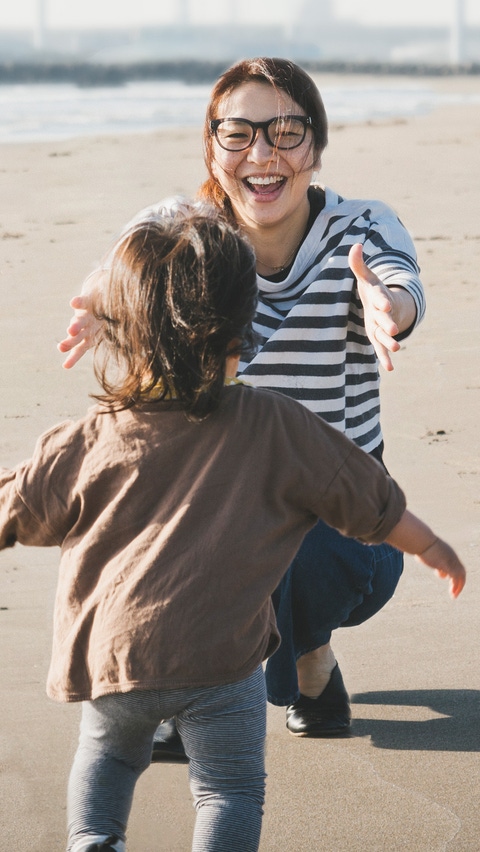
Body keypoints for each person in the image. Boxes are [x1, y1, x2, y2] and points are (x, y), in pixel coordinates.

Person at [0, 204, 466, 852]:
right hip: (224, 662)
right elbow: (364, 494)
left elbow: (15, 505)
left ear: (122, 333)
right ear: (239, 334)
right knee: (228, 790)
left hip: (115, 657)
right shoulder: (274, 423)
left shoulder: (89, 438)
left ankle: (94, 841)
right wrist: (432, 546)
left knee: (106, 762)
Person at [59, 58, 427, 744]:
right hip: (213, 514)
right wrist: (103, 302)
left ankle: (301, 663)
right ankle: (201, 685)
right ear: (212, 147)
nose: (262, 153)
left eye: (286, 131)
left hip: (345, 535)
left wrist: (388, 307)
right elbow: (124, 265)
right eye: (238, 133)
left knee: (302, 548)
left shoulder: (361, 227)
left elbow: (398, 281)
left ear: (314, 147)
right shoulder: (185, 231)